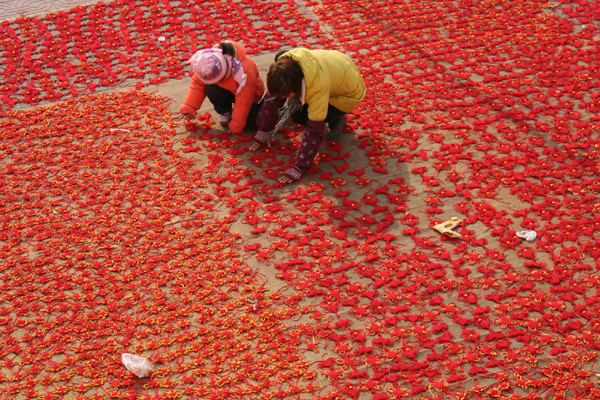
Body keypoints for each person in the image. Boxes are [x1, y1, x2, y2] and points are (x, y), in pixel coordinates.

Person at [249, 48, 366, 183]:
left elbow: (314, 130)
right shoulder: (286, 64)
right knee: (297, 111)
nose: (282, 98)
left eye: (286, 95)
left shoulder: (317, 87)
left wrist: (299, 167)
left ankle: (337, 117)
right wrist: (263, 129)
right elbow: (273, 98)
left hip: (347, 95)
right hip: (336, 68)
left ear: (298, 87)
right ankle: (331, 113)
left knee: (301, 115)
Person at [180, 40, 265, 134]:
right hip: (229, 89)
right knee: (210, 88)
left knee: (250, 123)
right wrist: (189, 107)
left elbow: (243, 101)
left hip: (250, 96)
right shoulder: (208, 63)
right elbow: (197, 85)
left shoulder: (244, 71)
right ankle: (225, 112)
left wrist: (236, 123)